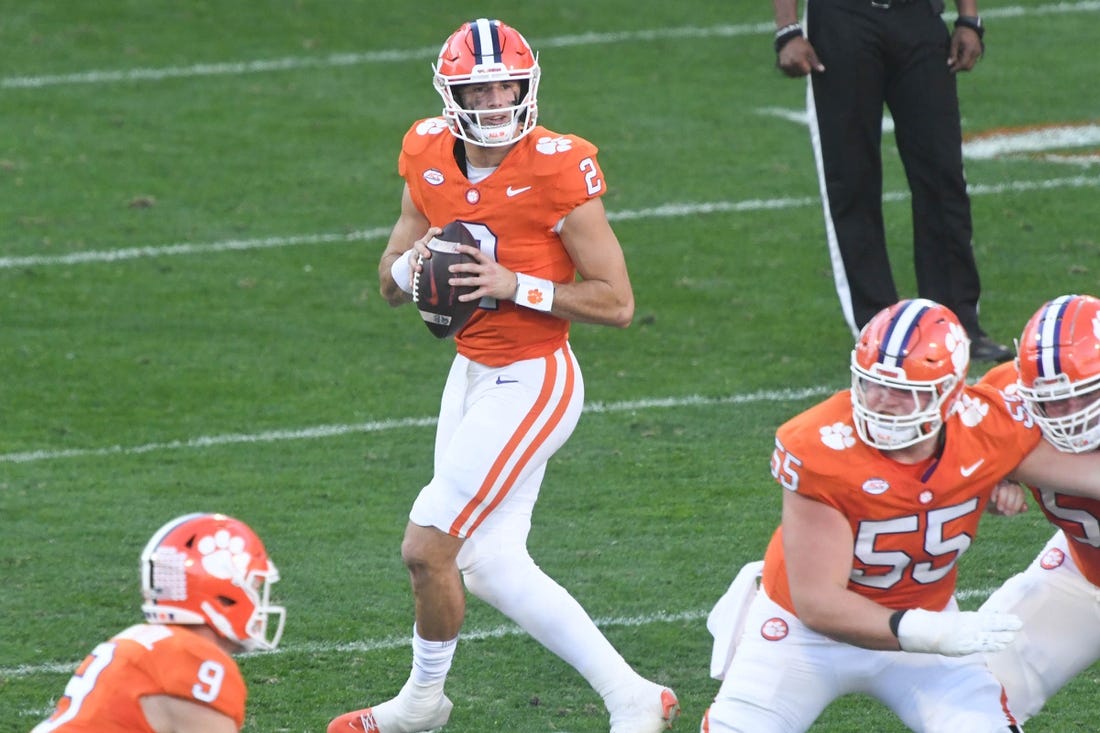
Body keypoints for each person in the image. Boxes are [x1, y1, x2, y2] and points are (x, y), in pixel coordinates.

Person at [326, 18, 678, 733]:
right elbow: (391, 284)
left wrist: (514, 282)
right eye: (478, 86)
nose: (493, 99)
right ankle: (633, 694)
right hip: (471, 372)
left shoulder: (558, 165)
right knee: (486, 562)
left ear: (527, 83)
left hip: (535, 373)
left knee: (428, 547)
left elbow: (617, 303)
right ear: (450, 91)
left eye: (505, 83)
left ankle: (423, 701)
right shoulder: (426, 150)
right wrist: (418, 265)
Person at [700, 298, 1100, 732]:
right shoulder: (823, 446)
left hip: (923, 617)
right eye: (873, 384)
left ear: (949, 392)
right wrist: (927, 632)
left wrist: (990, 477)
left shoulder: (988, 431)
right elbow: (818, 604)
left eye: (906, 391)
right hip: (808, 634)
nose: (883, 403)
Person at [771, 0, 1012, 363]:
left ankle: (958, 327)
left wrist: (968, 18)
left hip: (918, 17)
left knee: (942, 174)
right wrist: (787, 29)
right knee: (851, 179)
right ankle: (878, 333)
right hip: (842, 18)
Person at [32, 512, 286, 733]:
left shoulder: (138, 640)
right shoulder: (196, 661)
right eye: (254, 586)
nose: (260, 601)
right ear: (223, 591)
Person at [978, 294, 1100, 723]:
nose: (1067, 416)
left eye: (1083, 397)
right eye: (1051, 402)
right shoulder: (1004, 400)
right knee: (970, 686)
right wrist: (993, 481)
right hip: (1085, 573)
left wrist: (1015, 458)